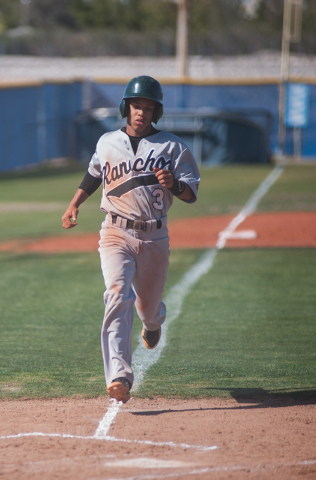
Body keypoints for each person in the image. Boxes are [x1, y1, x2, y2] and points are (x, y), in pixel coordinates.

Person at [62, 76, 200, 403]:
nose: (142, 112)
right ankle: (119, 376)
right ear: (127, 107)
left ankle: (152, 324)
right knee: (116, 295)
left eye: (149, 107)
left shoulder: (173, 147)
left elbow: (191, 193)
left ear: (156, 112)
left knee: (148, 308)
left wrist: (174, 184)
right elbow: (95, 174)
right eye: (137, 105)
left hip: (154, 236)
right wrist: (74, 203)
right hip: (115, 232)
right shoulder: (108, 141)